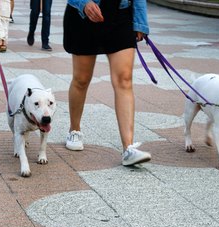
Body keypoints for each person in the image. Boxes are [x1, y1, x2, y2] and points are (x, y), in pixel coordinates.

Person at [63, 0, 152, 166]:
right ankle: (74, 130)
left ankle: (128, 148)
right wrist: (83, 3)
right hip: (84, 16)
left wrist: (140, 21)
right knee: (81, 79)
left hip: (121, 15)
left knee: (124, 79)